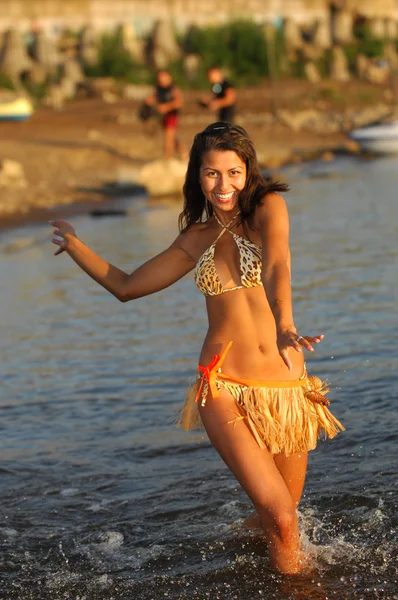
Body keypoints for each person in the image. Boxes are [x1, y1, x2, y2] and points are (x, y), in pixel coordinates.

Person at [49, 122, 344, 575]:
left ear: (248, 171)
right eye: (211, 173)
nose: (223, 185)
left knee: (280, 517)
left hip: (286, 389)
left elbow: (278, 262)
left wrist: (285, 322)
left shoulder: (267, 209)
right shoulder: (194, 239)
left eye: (233, 172)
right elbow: (127, 287)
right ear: (197, 175)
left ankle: (229, 553)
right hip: (221, 384)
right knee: (284, 521)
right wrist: (75, 246)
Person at [144, 69, 186, 159]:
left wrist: (166, 107)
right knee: (171, 136)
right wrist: (150, 101)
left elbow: (179, 102)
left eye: (164, 77)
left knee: (169, 136)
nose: (162, 79)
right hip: (162, 115)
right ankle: (183, 152)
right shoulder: (158, 88)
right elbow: (155, 97)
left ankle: (167, 157)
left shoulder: (173, 89)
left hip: (171, 114)